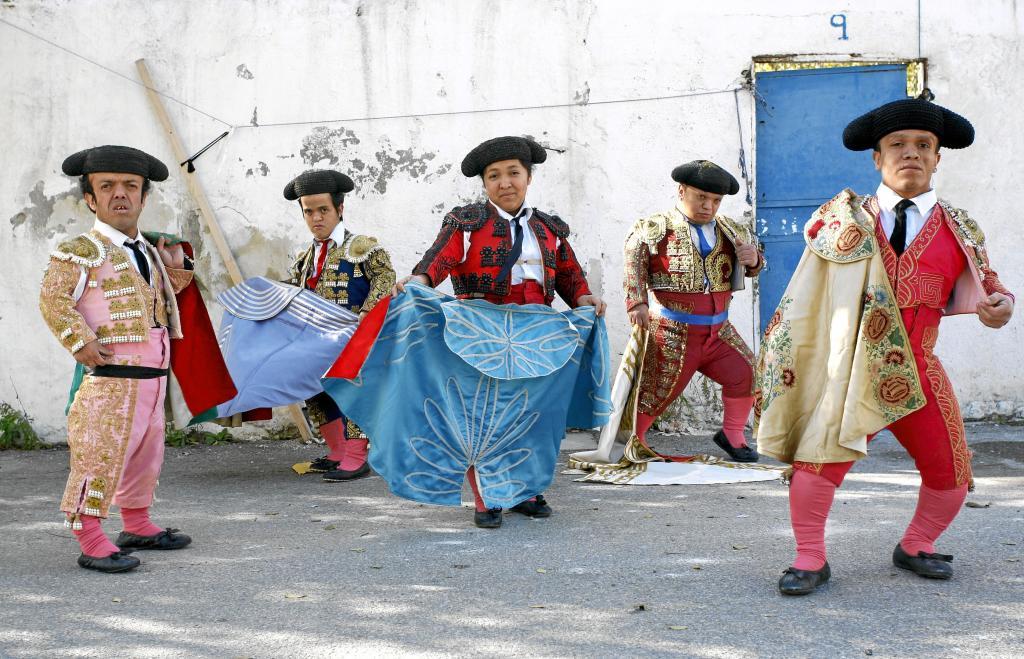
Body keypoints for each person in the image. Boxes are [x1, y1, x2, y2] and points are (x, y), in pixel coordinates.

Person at [754, 98, 1014, 595]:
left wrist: (1000, 304)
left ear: (938, 157)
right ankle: (810, 556)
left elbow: (989, 285)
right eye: (897, 145)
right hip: (849, 370)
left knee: (953, 472)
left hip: (920, 367)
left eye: (923, 145)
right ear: (877, 157)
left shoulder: (961, 227)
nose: (910, 154)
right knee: (817, 464)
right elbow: (807, 297)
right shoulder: (842, 220)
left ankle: (916, 544)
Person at [394, 135, 606, 528]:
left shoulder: (549, 228)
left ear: (528, 178)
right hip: (482, 331)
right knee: (483, 414)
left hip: (538, 333)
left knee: (532, 413)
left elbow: (569, 275)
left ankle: (523, 490)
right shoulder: (467, 222)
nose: (505, 183)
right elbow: (439, 257)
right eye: (494, 176)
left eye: (513, 173)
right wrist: (420, 280)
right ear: (484, 184)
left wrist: (585, 299)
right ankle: (487, 495)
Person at [39, 145, 229, 573]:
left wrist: (175, 272)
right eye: (107, 186)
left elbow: (155, 304)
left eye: (131, 186)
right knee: (99, 453)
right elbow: (53, 299)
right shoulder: (80, 250)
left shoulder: (147, 250)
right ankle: (88, 536)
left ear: (144, 198)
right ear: (90, 198)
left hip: (152, 376)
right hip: (111, 376)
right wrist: (79, 341)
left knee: (146, 455)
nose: (119, 194)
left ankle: (137, 523)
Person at [623, 160, 764, 462]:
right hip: (673, 328)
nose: (708, 206)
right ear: (682, 190)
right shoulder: (654, 227)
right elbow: (634, 260)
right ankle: (636, 439)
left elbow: (751, 266)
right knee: (658, 389)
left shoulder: (731, 229)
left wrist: (753, 260)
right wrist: (637, 303)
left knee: (746, 371)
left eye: (715, 200)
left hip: (718, 330)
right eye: (701, 197)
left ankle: (733, 436)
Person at [284, 169, 396, 482]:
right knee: (315, 392)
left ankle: (357, 456)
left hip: (354, 339)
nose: (316, 218)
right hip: (315, 339)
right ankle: (337, 451)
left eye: (323, 210)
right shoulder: (304, 255)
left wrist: (365, 320)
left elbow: (385, 280)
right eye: (309, 211)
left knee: (352, 393)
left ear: (339, 209)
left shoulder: (362, 246)